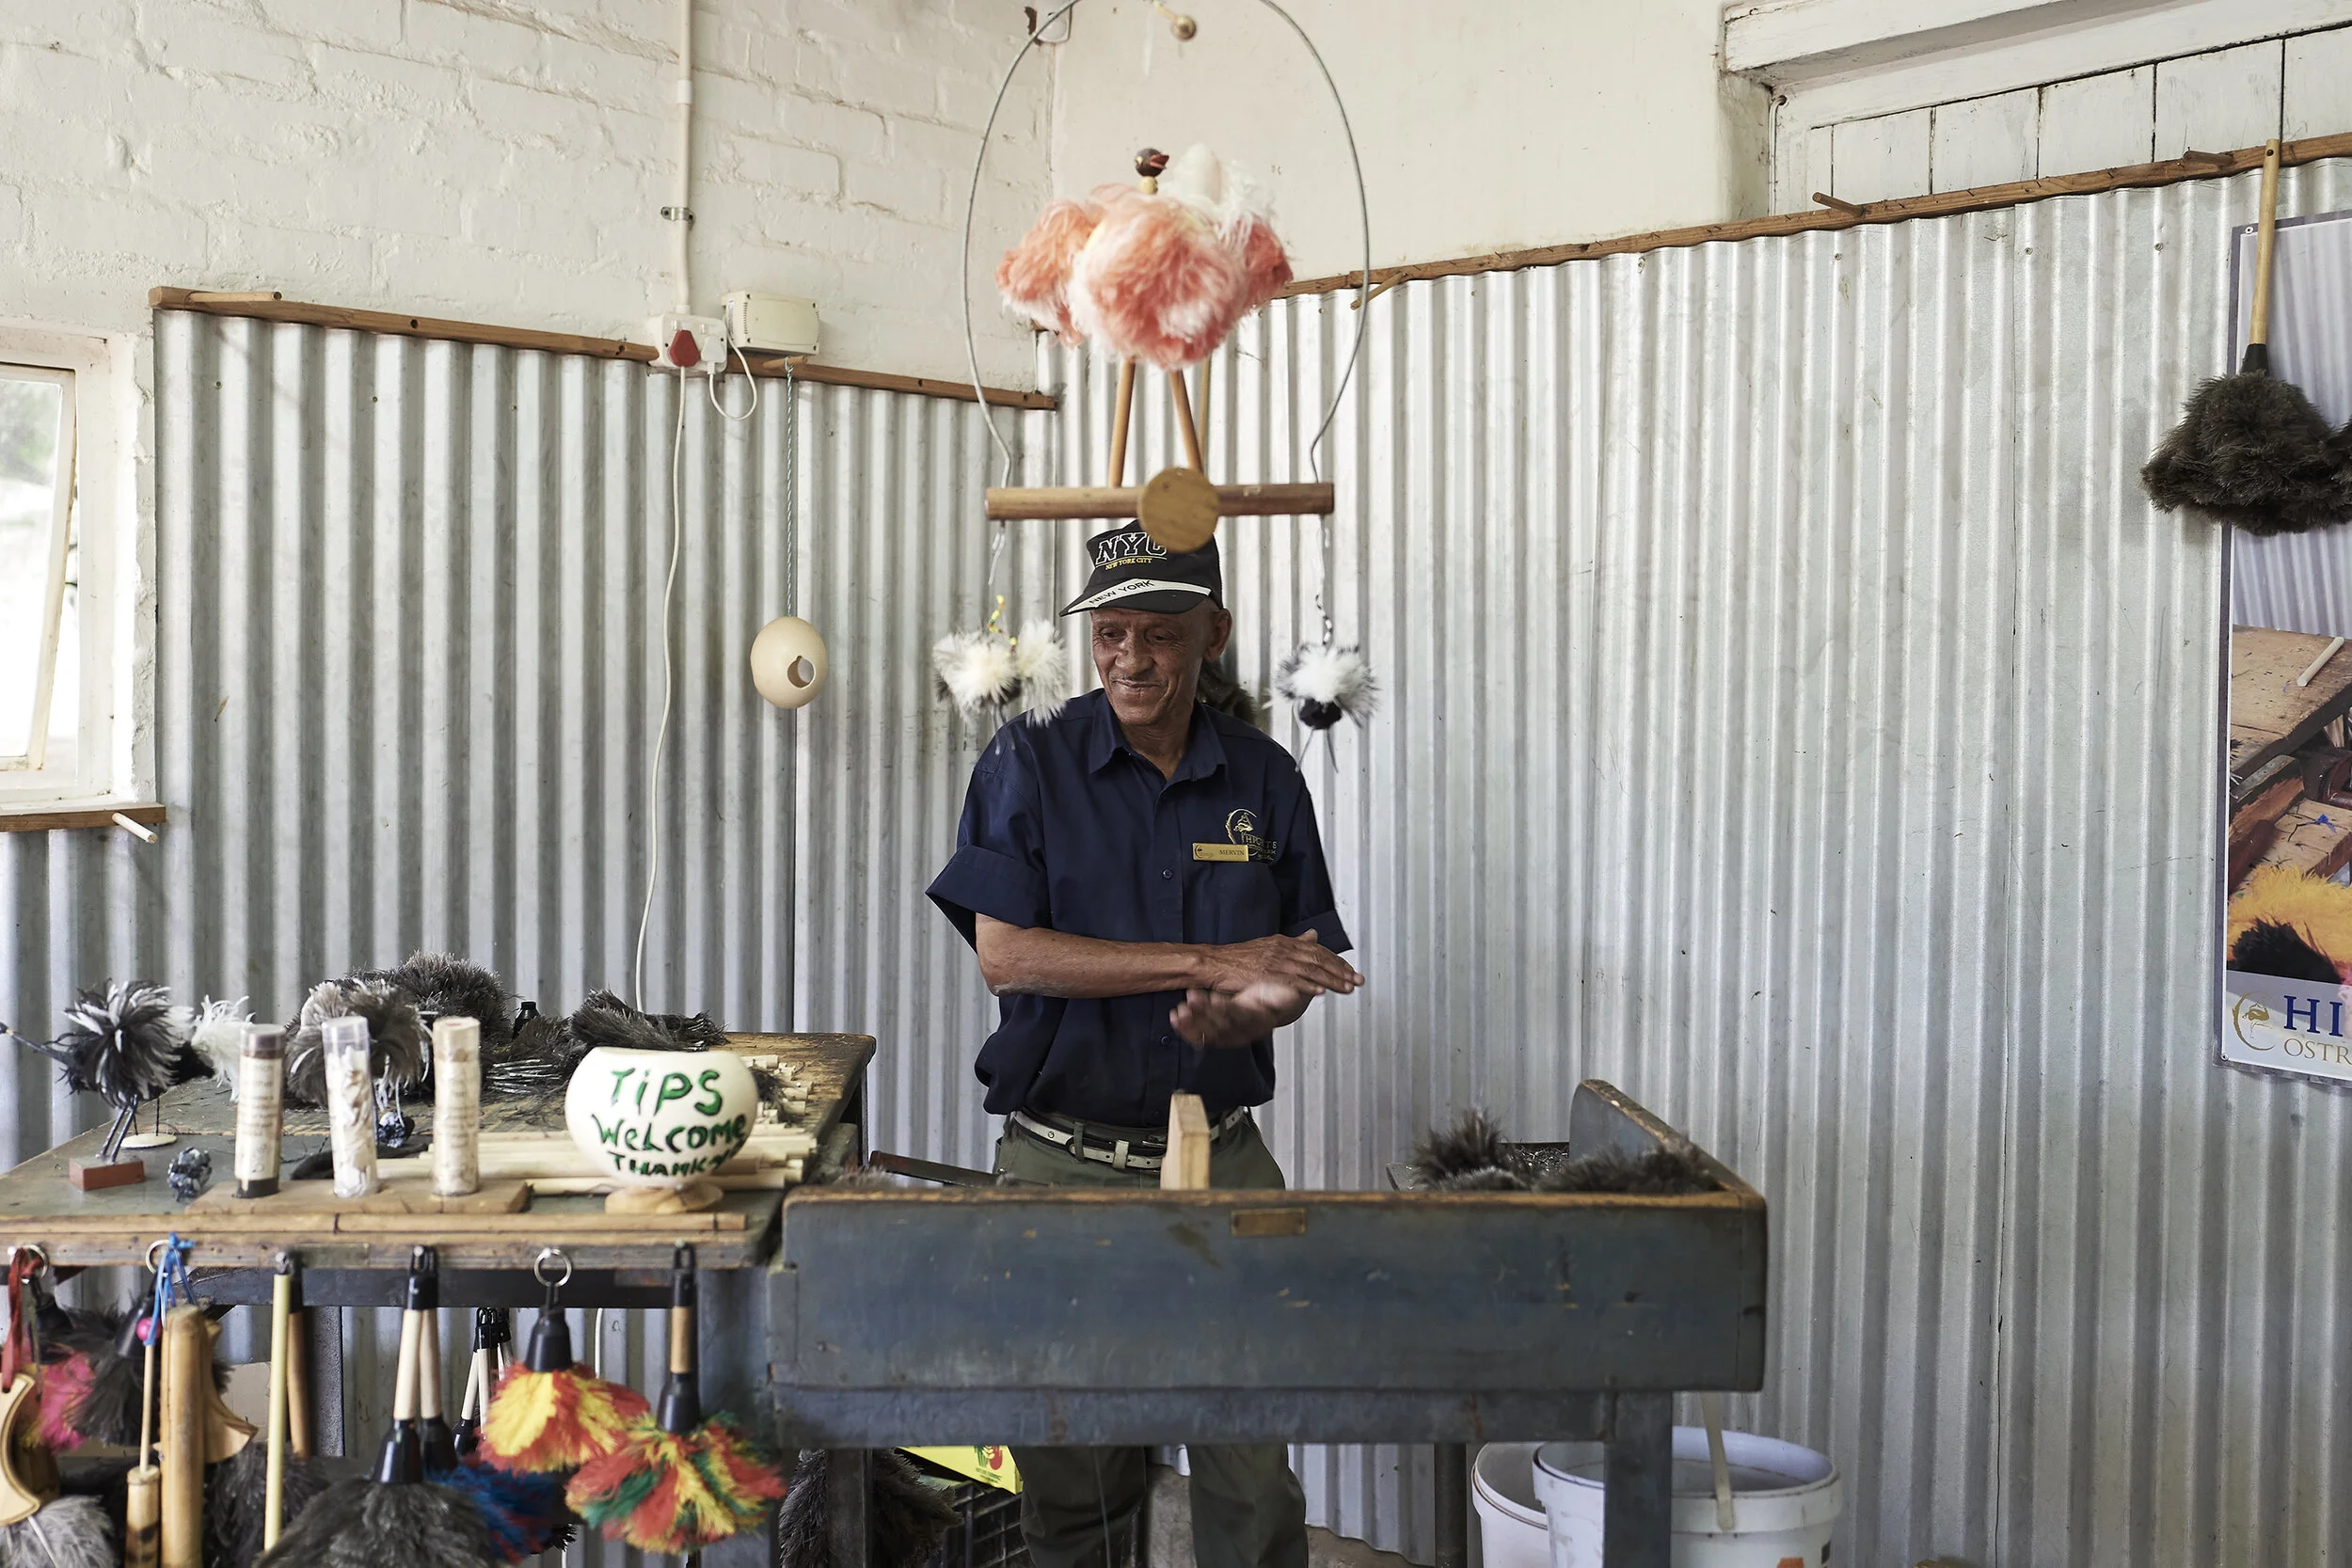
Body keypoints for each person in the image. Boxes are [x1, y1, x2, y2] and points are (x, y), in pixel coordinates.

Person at [927, 525, 1365, 1568]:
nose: (1129, 657)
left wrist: (1252, 1005)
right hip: (1059, 1160)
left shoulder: (1264, 779)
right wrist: (1205, 960)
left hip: (1223, 1152)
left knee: (1249, 1472)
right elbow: (1007, 955)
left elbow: (1291, 969)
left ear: (1212, 634)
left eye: (1159, 634)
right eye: (1109, 632)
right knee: (1077, 1481)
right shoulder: (1027, 759)